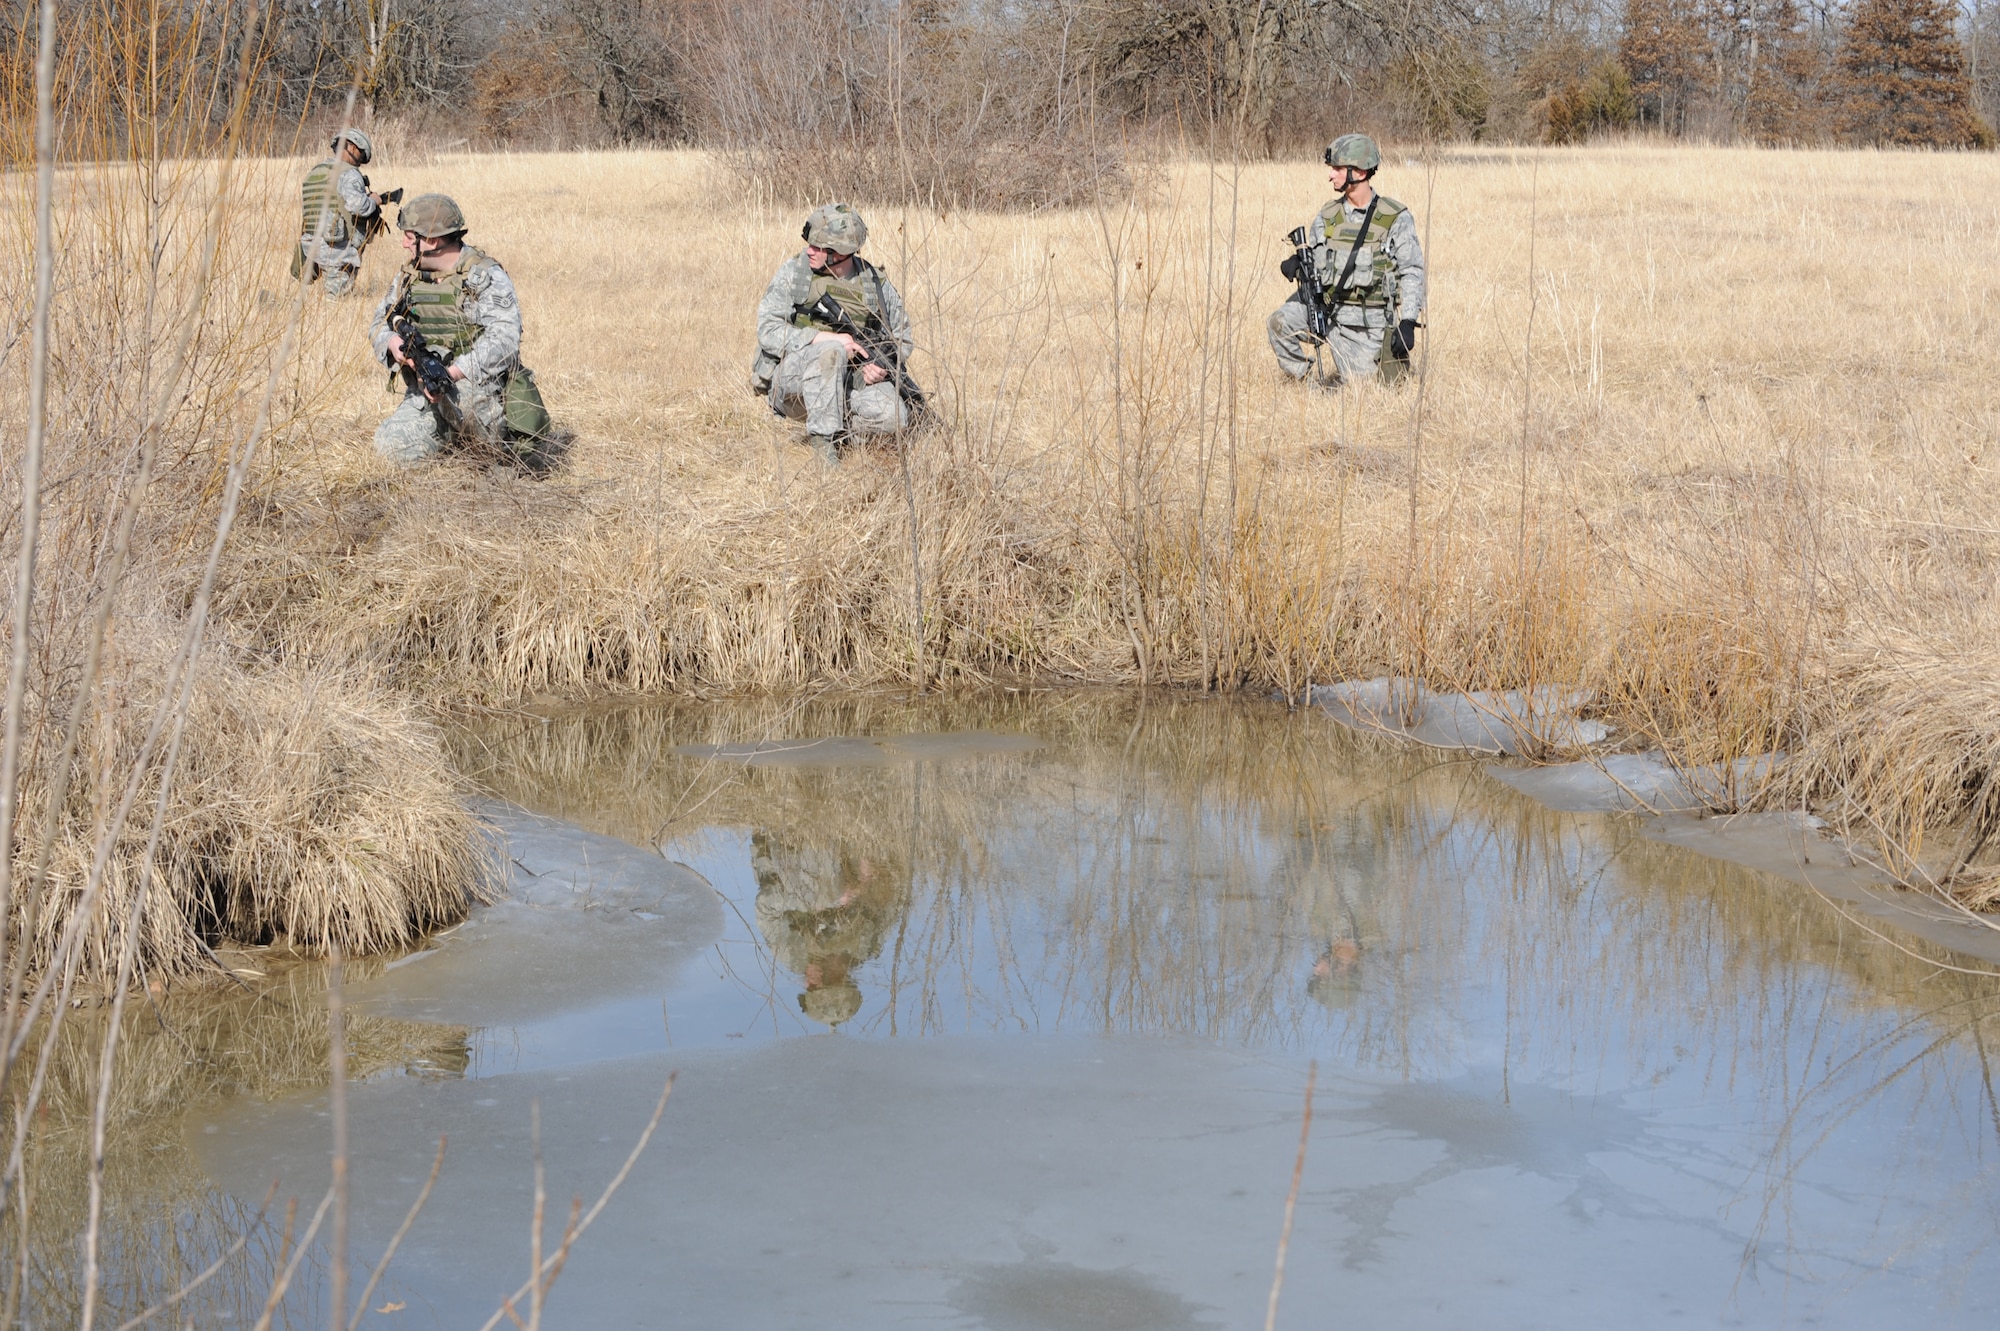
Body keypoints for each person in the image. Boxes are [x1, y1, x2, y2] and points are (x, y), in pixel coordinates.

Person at [367, 193, 529, 467]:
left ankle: (497, 444)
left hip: (479, 391)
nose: (404, 243)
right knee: (389, 450)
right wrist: (393, 345)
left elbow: (505, 339)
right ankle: (446, 438)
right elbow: (378, 323)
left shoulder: (483, 276)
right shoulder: (410, 276)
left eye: (409, 236)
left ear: (431, 240)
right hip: (425, 391)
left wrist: (453, 373)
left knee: (491, 453)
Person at [752, 202, 914, 460]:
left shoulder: (873, 283)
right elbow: (769, 330)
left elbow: (902, 338)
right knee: (829, 352)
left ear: (841, 252)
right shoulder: (796, 273)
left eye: (818, 247)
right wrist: (822, 338)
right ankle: (824, 452)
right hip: (793, 380)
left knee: (893, 417)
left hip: (851, 380)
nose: (809, 251)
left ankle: (842, 432)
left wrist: (882, 366)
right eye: (809, 243)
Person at [1267, 133, 1427, 387]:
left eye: (1338, 168)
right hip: (1328, 311)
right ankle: (1307, 385)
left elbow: (1412, 272)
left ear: (1360, 173)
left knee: (1367, 391)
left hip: (1367, 324)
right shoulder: (1328, 216)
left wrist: (1407, 322)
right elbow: (1318, 261)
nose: (1330, 174)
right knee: (1279, 322)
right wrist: (1297, 264)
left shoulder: (1395, 218)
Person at [751, 831, 906, 1029]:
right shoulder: (866, 945)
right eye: (819, 983)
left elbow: (764, 907)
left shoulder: (791, 953)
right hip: (847, 843)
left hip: (789, 843)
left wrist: (816, 902)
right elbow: (897, 897)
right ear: (842, 978)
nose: (807, 982)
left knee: (818, 887)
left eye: (809, 988)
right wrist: (866, 884)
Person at [297, 128, 391, 298]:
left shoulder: (316, 171)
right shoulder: (349, 173)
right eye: (362, 155)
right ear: (353, 147)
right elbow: (358, 207)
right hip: (336, 247)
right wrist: (374, 200)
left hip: (310, 243)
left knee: (316, 298)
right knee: (337, 300)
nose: (360, 161)